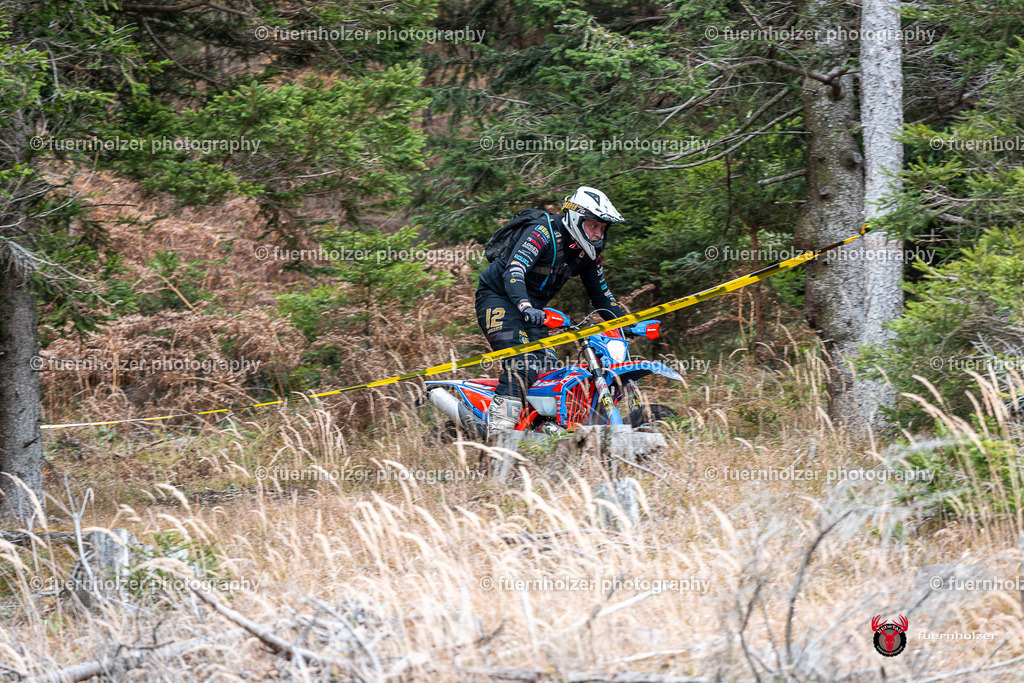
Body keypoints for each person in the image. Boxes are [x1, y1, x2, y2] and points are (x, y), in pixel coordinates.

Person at [475, 186, 628, 433]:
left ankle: (539, 429)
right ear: (578, 220)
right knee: (523, 364)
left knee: (548, 370)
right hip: (498, 298)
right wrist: (525, 305)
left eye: (602, 228)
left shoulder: (587, 253)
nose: (598, 234)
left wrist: (627, 323)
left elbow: (601, 295)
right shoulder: (543, 232)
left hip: (533, 310)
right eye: (593, 226)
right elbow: (514, 271)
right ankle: (498, 433)